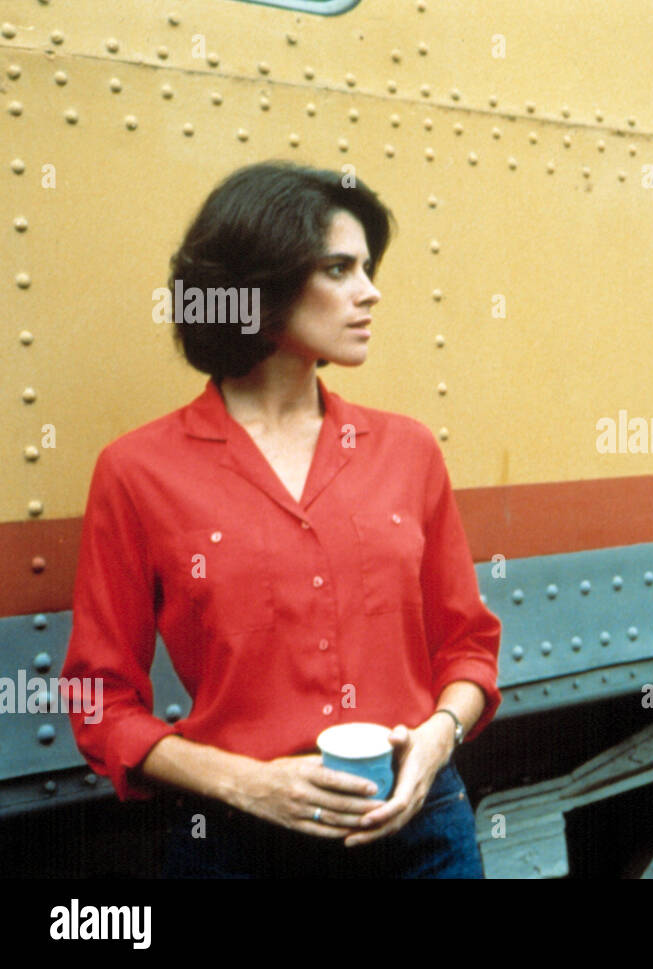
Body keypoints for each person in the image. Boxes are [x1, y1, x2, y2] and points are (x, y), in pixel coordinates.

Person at [62, 161, 502, 877]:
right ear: (256, 288)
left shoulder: (408, 450)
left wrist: (437, 739)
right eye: (339, 268)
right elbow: (100, 699)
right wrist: (247, 783)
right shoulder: (138, 471)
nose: (370, 291)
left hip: (421, 832)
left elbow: (468, 647)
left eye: (367, 266)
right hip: (237, 848)